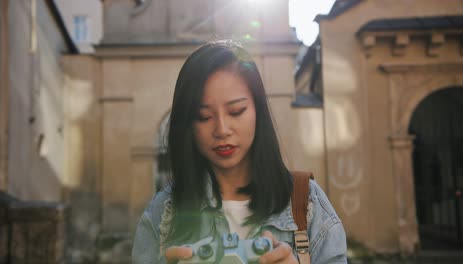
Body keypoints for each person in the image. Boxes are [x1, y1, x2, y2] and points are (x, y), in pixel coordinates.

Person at [132, 40, 347, 263]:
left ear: (257, 109)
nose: (222, 130)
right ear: (187, 124)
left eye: (236, 111)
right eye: (204, 117)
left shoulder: (308, 203)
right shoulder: (162, 213)